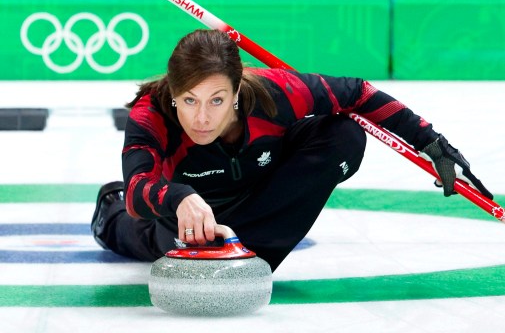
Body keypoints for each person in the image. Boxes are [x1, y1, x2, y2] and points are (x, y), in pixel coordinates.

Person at [91, 29, 493, 272]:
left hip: (261, 194)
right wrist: (178, 196)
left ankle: (253, 254)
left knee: (346, 137)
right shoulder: (153, 114)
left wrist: (428, 140)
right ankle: (109, 220)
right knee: (135, 225)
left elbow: (360, 93)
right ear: (174, 95)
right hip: (183, 221)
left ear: (236, 91)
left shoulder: (274, 93)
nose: (200, 118)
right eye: (189, 100)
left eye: (216, 100)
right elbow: (138, 190)